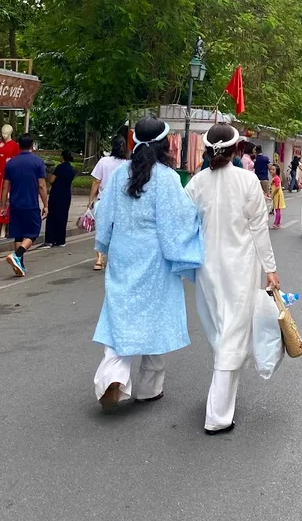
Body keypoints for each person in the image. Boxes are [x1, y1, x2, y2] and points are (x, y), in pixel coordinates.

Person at [93, 117, 203, 411]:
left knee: (120, 313)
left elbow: (104, 214)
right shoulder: (166, 177)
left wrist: (103, 245)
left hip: (123, 253)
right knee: (156, 318)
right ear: (165, 143)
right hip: (154, 257)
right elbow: (179, 219)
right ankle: (149, 388)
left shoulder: (119, 174)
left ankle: (113, 374)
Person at [185, 123, 279, 434]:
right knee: (233, 334)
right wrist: (271, 268)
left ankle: (222, 400)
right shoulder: (248, 181)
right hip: (241, 267)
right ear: (238, 149)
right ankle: (217, 414)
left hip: (208, 269)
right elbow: (258, 229)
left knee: (220, 331)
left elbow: (183, 223)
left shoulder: (197, 183)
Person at [4, 134, 48, 276]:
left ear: (18, 144)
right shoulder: (38, 162)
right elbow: (41, 185)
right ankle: (17, 255)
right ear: (32, 145)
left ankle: (20, 266)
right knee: (33, 232)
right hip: (30, 204)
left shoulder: (10, 163)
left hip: (15, 204)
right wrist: (46, 204)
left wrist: (3, 204)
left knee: (18, 235)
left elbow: (5, 186)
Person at [88, 136, 129, 271]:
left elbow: (96, 182)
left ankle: (99, 259)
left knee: (101, 230)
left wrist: (90, 201)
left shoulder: (103, 161)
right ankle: (116, 259)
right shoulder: (128, 164)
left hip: (103, 200)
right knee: (118, 232)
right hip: (122, 203)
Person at [43, 149, 75, 248]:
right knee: (63, 216)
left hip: (57, 194)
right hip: (66, 194)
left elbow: (52, 180)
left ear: (62, 157)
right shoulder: (71, 169)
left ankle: (50, 240)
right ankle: (61, 240)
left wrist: (47, 176)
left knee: (52, 216)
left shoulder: (59, 167)